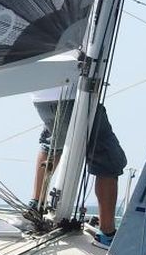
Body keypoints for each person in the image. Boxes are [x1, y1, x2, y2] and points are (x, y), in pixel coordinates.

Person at [30, 82, 126, 245]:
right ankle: (107, 233)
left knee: (54, 143)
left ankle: (35, 206)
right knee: (110, 159)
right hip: (76, 95)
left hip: (41, 97)